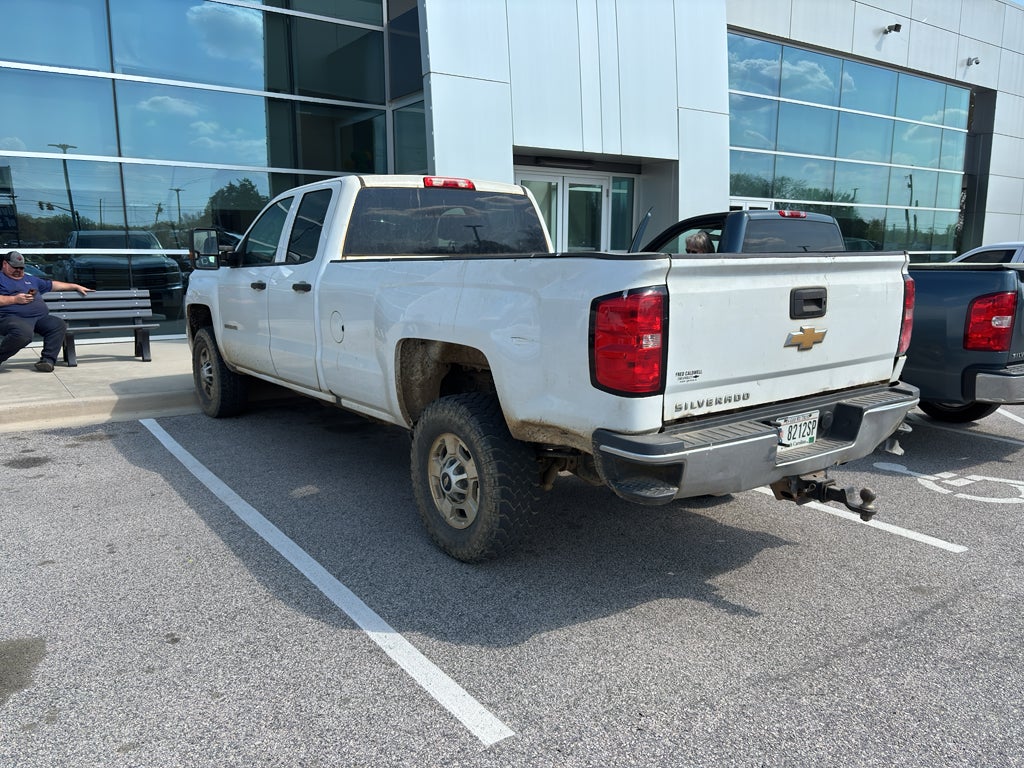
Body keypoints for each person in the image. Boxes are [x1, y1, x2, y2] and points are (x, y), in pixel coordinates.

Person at [0, 250, 93, 372]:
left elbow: (53, 285)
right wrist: (14, 299)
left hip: (39, 318)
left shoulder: (31, 279)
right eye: (15, 267)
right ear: (5, 264)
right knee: (23, 334)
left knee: (58, 324)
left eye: (21, 268)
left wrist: (75, 286)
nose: (18, 270)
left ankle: (47, 360)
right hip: (10, 317)